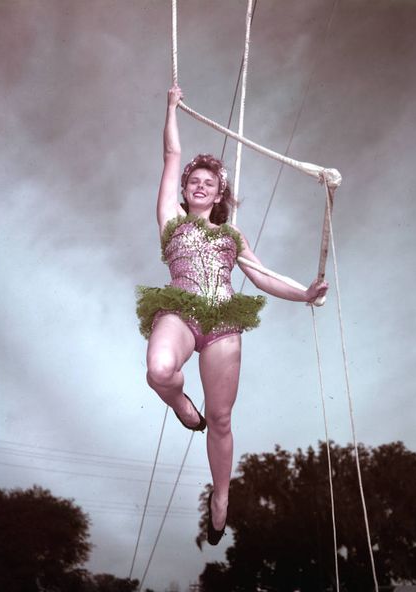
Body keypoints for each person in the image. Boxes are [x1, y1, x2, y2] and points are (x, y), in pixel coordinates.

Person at [136, 85, 328, 546]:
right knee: (160, 371)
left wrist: (304, 293)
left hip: (223, 322)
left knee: (221, 421)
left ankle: (221, 496)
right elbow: (171, 151)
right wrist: (170, 108)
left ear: (220, 192)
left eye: (209, 182)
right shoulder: (170, 219)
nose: (200, 186)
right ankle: (183, 404)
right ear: (184, 189)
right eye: (193, 181)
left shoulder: (232, 236)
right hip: (181, 311)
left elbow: (262, 277)